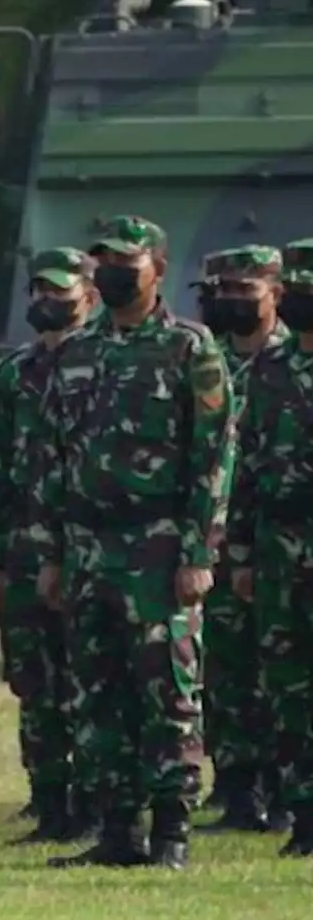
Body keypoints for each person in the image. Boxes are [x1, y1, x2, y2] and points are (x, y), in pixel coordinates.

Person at [34, 215, 233, 869]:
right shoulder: (79, 351)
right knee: (100, 692)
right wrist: (56, 554)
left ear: (157, 268)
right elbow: (59, 459)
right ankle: (118, 831)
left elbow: (212, 458)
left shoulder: (190, 348)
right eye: (103, 260)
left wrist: (199, 553)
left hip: (159, 544)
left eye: (125, 259)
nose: (111, 270)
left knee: (167, 691)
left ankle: (171, 831)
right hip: (90, 544)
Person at [0, 248, 101, 843]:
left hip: (88, 548)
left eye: (58, 290)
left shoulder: (104, 363)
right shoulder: (12, 374)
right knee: (35, 682)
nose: (43, 301)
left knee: (93, 679)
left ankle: (101, 800)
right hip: (25, 551)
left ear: (89, 297)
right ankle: (50, 802)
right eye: (37, 290)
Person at [191, 246, 289, 833]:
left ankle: (287, 789)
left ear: (274, 291)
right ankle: (236, 786)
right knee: (223, 668)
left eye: (244, 289)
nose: (230, 299)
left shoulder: (290, 362)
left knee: (279, 668)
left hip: (277, 537)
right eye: (221, 288)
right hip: (220, 540)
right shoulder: (209, 361)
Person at [228, 237, 313, 857]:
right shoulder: (269, 369)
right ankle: (302, 811)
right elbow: (247, 467)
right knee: (286, 687)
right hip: (279, 552)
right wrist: (241, 555)